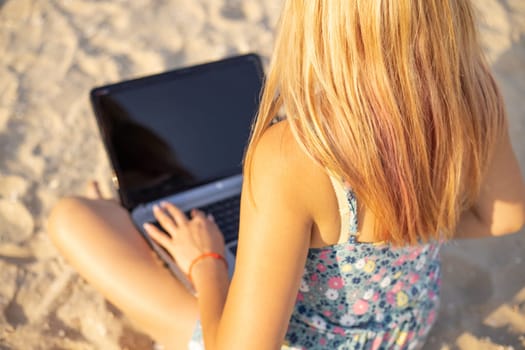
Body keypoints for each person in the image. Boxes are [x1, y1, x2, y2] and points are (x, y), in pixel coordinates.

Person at [48, 0, 525, 349]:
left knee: (72, 218)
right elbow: (504, 218)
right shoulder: (476, 95)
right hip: (403, 330)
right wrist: (404, 225)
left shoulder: (295, 154)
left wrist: (208, 264)